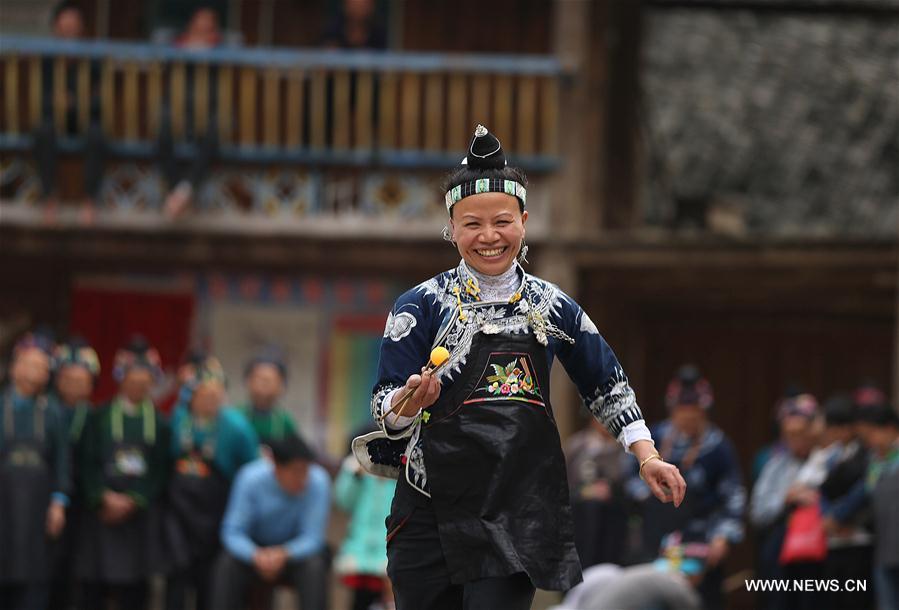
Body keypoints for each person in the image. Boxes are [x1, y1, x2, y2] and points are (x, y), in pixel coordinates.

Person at [356, 125, 686, 610]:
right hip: (429, 511)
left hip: (515, 511)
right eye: (472, 224)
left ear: (525, 221)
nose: (489, 237)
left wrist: (647, 455)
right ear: (451, 227)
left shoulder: (552, 306)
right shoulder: (420, 306)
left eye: (502, 222)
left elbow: (606, 382)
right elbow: (385, 407)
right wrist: (411, 401)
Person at [625, 365, 745, 610]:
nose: (688, 418)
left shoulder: (718, 447)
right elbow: (628, 479)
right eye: (682, 412)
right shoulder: (652, 439)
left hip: (700, 542)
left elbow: (734, 497)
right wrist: (649, 492)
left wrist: (723, 537)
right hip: (656, 543)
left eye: (695, 413)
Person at [77, 336, 170, 610]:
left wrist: (135, 499)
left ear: (152, 382)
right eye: (132, 380)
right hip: (102, 511)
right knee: (94, 584)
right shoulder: (99, 416)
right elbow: (86, 461)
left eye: (144, 382)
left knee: (136, 588)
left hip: (139, 514)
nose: (138, 386)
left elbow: (161, 468)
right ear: (121, 380)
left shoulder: (160, 423)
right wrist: (102, 497)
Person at [164, 354, 258, 610]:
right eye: (204, 394)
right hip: (179, 513)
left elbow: (252, 471)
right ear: (190, 396)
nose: (210, 400)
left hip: (216, 511)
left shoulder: (237, 427)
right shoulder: (176, 420)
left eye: (216, 394)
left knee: (210, 582)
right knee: (177, 575)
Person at [211, 434, 330, 610]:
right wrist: (255, 554)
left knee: (315, 565)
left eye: (306, 471)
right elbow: (232, 531)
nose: (303, 479)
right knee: (226, 564)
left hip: (293, 553)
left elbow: (313, 537)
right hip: (254, 549)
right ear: (276, 467)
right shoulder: (250, 478)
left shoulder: (319, 481)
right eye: (296, 471)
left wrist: (283, 553)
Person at [0, 333, 70, 610]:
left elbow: (62, 461)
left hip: (38, 508)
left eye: (42, 367)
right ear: (13, 367)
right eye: (29, 364)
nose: (35, 372)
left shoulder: (53, 412)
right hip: (4, 506)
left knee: (35, 582)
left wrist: (59, 502)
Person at [33, 2, 104, 224]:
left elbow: (99, 101)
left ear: (81, 29)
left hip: (84, 120)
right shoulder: (47, 61)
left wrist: (77, 102)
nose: (70, 32)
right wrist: (59, 102)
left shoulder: (92, 61)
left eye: (74, 27)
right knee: (43, 130)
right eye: (65, 28)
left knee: (96, 134)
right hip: (54, 120)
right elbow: (43, 99)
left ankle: (90, 201)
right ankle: (49, 198)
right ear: (56, 29)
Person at [749, 393, 820, 610]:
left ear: (812, 431)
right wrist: (786, 499)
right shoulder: (775, 465)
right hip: (779, 552)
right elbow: (757, 512)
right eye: (788, 434)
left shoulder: (825, 460)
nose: (794, 440)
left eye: (800, 433)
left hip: (816, 555)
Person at [47, 337, 101, 610]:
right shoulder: (47, 411)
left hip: (84, 504)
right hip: (49, 500)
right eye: (69, 378)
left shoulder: (94, 416)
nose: (75, 385)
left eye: (82, 380)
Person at [158, 6, 222, 219]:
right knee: (162, 127)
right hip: (178, 109)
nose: (202, 32)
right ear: (191, 28)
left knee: (214, 130)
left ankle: (181, 192)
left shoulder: (221, 53)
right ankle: (180, 193)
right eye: (199, 27)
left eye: (208, 28)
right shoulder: (177, 47)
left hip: (209, 111)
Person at [334, 428, 397, 610]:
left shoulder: (399, 470)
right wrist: (355, 477)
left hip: (390, 546)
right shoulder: (355, 470)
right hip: (360, 548)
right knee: (360, 598)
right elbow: (343, 501)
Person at [565, 417, 630, 569]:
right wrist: (584, 491)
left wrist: (612, 489)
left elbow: (629, 483)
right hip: (580, 511)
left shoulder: (626, 446)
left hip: (613, 513)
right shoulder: (577, 446)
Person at [855, 403, 899, 610]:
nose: (871, 441)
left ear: (890, 429)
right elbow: (863, 498)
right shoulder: (874, 463)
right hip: (884, 551)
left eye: (874, 433)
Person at [238, 349, 299, 444]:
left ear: (282, 386)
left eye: (270, 380)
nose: (264, 384)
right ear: (248, 382)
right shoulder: (236, 417)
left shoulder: (285, 422)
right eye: (259, 378)